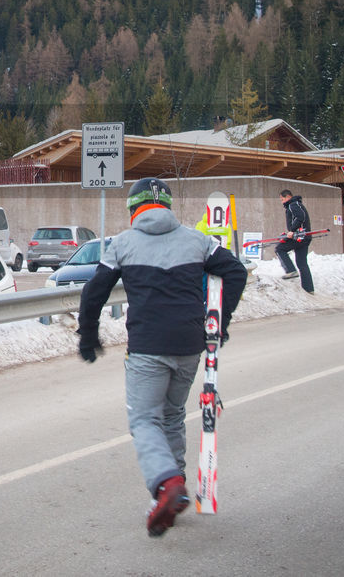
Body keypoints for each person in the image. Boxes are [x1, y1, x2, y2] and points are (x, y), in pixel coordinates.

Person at [77, 177, 248, 537]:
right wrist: (220, 322)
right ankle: (177, 486)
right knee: (171, 416)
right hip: (190, 346)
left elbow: (93, 293)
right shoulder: (197, 240)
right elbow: (234, 271)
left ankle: (167, 484)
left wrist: (89, 336)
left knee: (143, 421)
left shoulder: (121, 244)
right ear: (167, 207)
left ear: (133, 209)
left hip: (147, 348)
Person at [275, 189, 315, 293]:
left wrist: (292, 230)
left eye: (282, 199)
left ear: (288, 197)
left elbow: (300, 217)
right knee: (302, 263)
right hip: (304, 237)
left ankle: (290, 270)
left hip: (299, 237)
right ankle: (309, 289)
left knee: (279, 249)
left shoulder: (293, 204)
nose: (282, 202)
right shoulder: (296, 204)